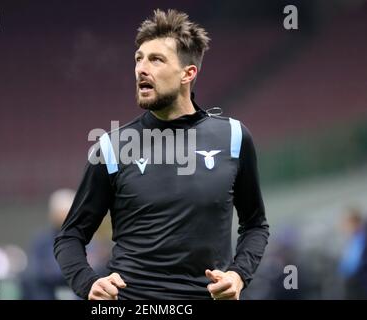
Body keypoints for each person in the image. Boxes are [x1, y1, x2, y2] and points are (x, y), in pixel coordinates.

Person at [54, 9, 269, 300]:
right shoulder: (111, 147)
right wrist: (87, 283)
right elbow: (70, 235)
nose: (141, 68)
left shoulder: (233, 137)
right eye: (138, 58)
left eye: (156, 60)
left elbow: (255, 225)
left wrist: (238, 275)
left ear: (188, 73)